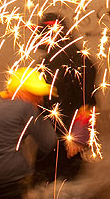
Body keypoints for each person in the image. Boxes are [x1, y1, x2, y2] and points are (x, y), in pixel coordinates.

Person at [0, 67, 57, 199]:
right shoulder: (25, 108)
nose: (40, 100)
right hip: (8, 184)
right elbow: (49, 141)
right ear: (21, 92)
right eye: (36, 94)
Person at [34, 12, 97, 185]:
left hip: (69, 139)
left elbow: (87, 102)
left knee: (64, 186)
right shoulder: (46, 62)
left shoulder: (81, 62)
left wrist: (79, 136)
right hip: (50, 139)